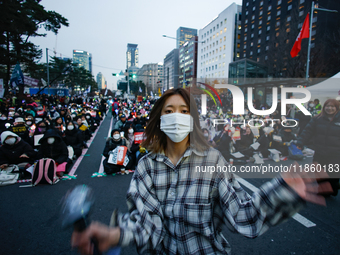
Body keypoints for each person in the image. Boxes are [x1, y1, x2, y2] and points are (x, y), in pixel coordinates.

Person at [72, 88, 332, 255]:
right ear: (160, 119)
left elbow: (242, 215)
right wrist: (116, 234)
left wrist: (282, 192)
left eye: (184, 111)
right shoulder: (146, 167)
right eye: (169, 111)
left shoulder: (213, 160)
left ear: (193, 119)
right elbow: (147, 224)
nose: (177, 116)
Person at [297, 99, 340, 196]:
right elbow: (307, 131)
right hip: (320, 152)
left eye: (332, 106)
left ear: (336, 108)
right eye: (327, 106)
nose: (330, 108)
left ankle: (333, 187)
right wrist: (300, 142)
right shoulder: (317, 119)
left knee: (333, 175)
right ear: (324, 107)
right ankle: (323, 190)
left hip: (336, 153)